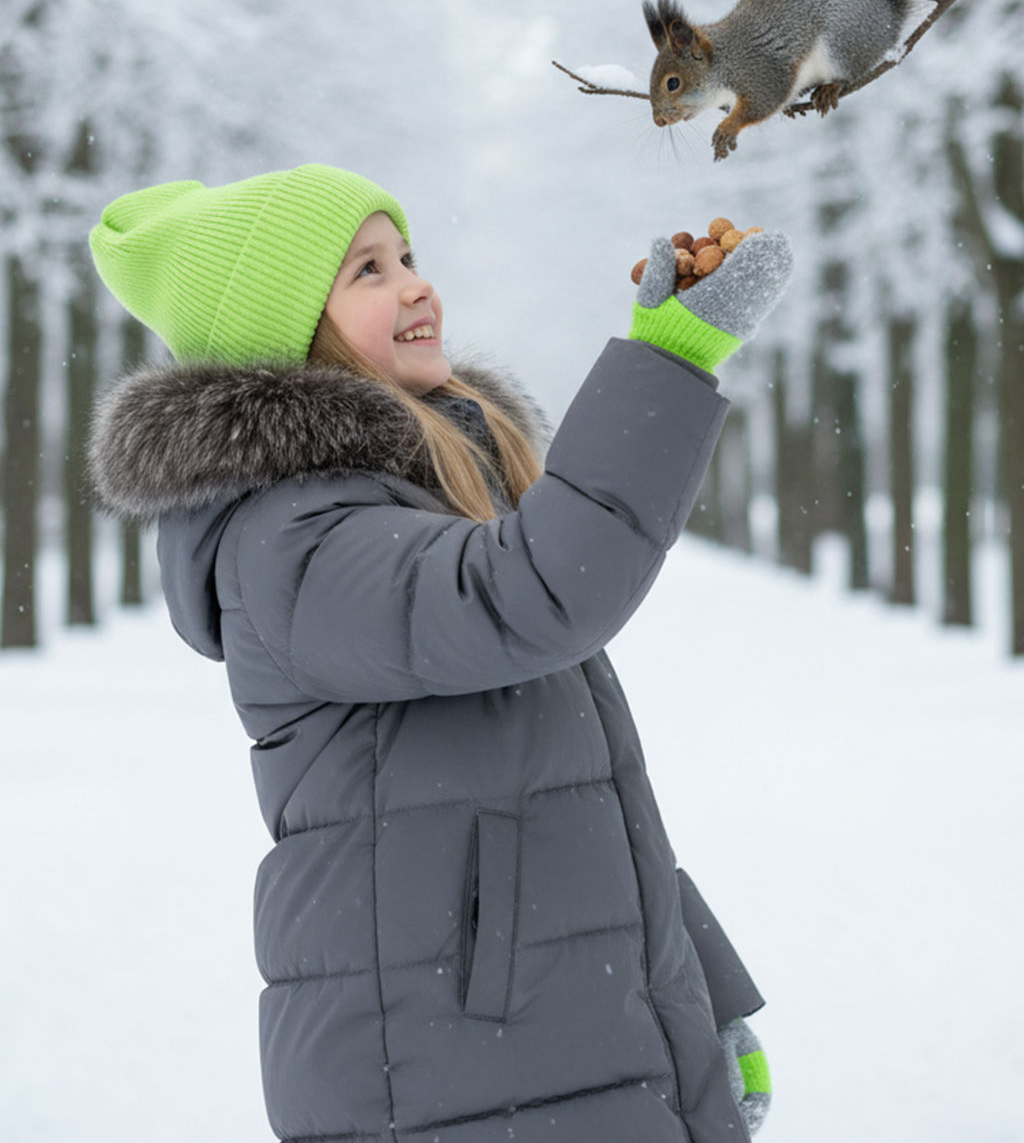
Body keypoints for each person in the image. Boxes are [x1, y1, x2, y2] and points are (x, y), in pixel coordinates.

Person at [88, 163, 790, 1143]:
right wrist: (667, 359)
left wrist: (702, 988)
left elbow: (567, 802)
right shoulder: (294, 539)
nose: (416, 283)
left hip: (551, 1040)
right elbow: (538, 591)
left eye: (408, 255)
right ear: (286, 332)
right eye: (368, 271)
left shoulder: (428, 503)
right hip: (443, 1075)